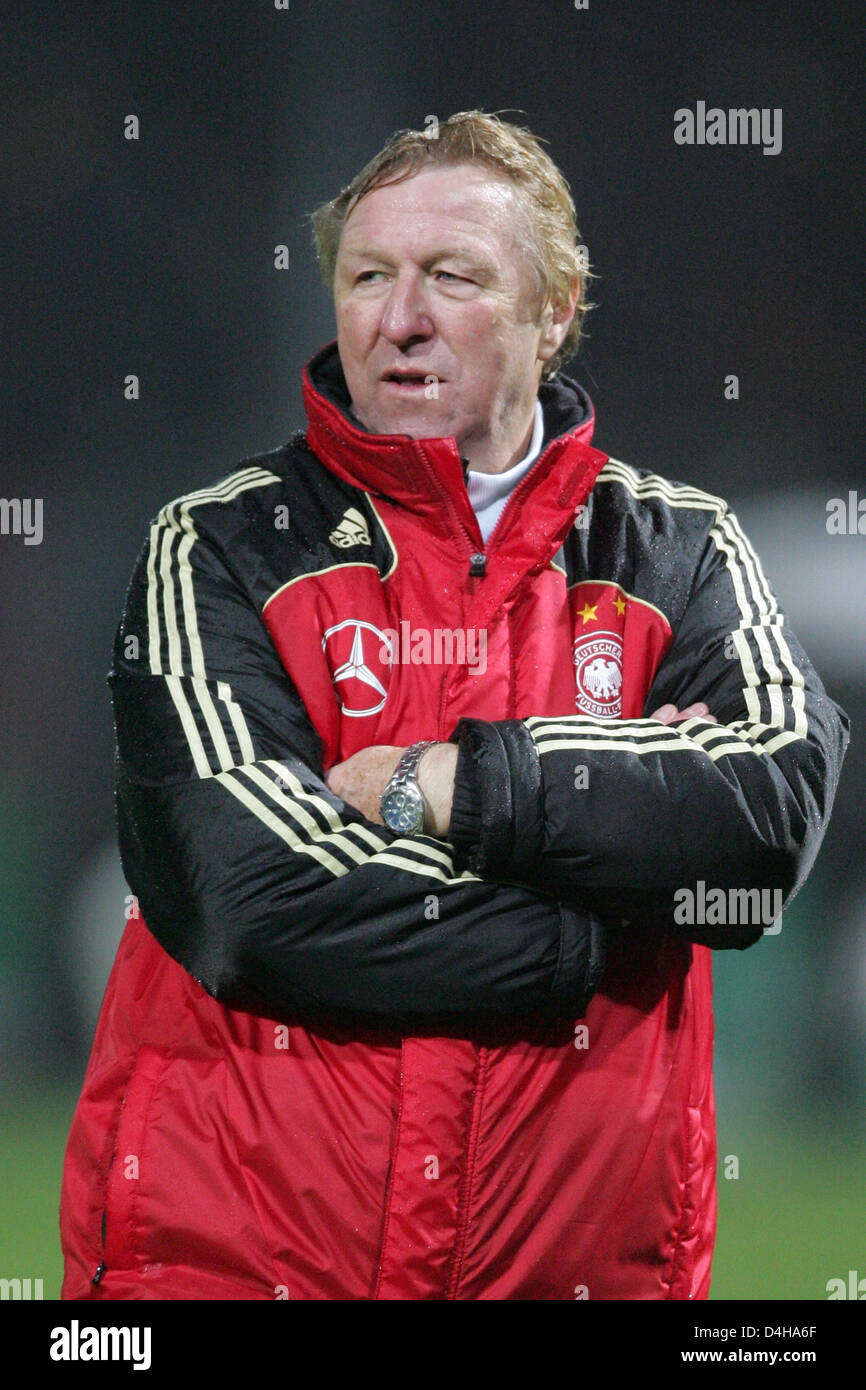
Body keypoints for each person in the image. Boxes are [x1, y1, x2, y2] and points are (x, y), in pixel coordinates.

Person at [60, 110, 848, 1300]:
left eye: (452, 277)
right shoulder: (218, 546)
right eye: (367, 275)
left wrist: (452, 786)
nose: (398, 316)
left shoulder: (676, 551)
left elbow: (763, 822)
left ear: (555, 308)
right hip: (233, 1273)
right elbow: (247, 900)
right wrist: (593, 916)